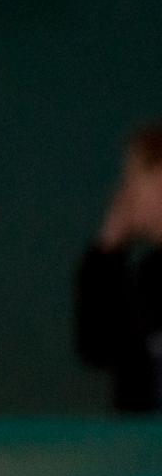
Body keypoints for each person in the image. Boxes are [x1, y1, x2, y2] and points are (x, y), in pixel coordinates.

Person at [76, 123, 162, 412]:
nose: (125, 193)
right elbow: (96, 346)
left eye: (134, 177)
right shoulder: (149, 274)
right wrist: (108, 249)